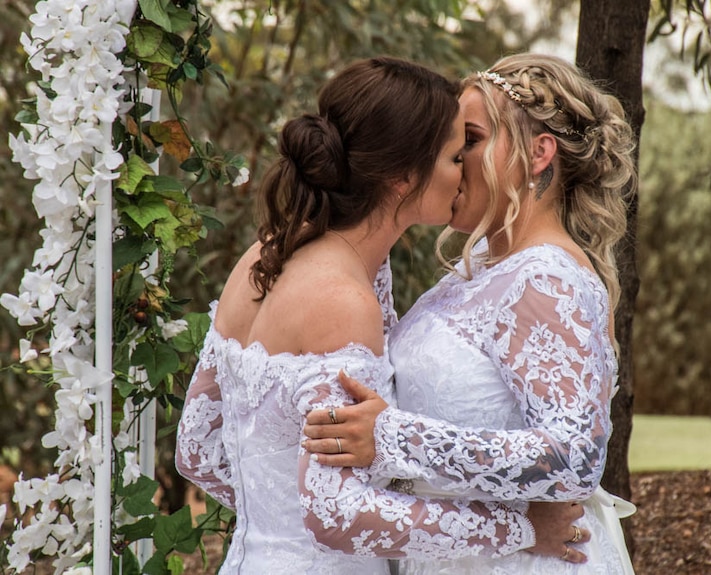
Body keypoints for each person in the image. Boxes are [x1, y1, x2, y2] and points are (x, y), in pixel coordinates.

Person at [174, 56, 587, 575]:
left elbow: (196, 448)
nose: (466, 173)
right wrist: (521, 530)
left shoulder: (264, 256)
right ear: (402, 176)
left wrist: (276, 522)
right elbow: (336, 514)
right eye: (456, 157)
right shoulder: (341, 299)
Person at [303, 53, 638, 574]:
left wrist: (393, 437)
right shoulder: (481, 267)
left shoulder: (548, 279)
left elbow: (575, 458)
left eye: (472, 140)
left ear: (539, 153)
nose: (454, 159)